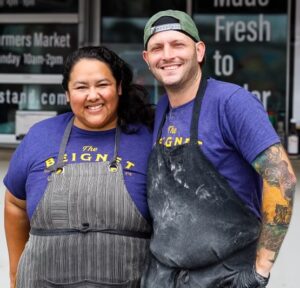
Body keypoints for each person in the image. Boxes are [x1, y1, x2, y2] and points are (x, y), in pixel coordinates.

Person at [141, 10, 297, 288]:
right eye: (157, 48)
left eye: (178, 44)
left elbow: (281, 178)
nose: (167, 55)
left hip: (224, 276)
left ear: (199, 51)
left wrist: (260, 270)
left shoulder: (231, 102)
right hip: (164, 276)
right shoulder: (163, 108)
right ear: (147, 59)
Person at [4, 46, 154, 288]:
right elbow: (14, 203)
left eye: (102, 85)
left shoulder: (146, 139)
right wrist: (14, 274)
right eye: (81, 87)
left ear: (119, 87)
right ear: (67, 93)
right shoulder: (40, 136)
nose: (92, 95)